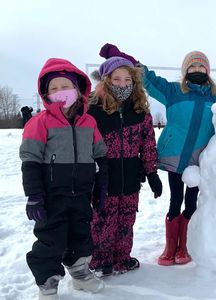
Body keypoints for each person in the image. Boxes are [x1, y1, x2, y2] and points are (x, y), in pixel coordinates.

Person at [99, 43, 216, 266]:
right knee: (175, 201)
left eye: (201, 66)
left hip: (199, 161)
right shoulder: (173, 92)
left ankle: (184, 247)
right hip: (174, 158)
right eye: (192, 66)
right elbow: (147, 78)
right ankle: (170, 248)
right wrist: (123, 58)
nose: (197, 69)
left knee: (191, 203)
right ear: (185, 72)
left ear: (208, 72)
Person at [20, 58, 107, 299]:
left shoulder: (89, 122)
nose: (60, 93)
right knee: (51, 241)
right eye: (53, 88)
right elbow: (30, 161)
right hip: (52, 196)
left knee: (81, 235)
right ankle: (47, 284)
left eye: (65, 87)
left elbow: (100, 155)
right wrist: (34, 195)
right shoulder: (39, 122)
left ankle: (80, 275)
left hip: (81, 194)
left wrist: (102, 185)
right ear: (45, 93)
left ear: (78, 90)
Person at [88, 55, 162, 276]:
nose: (123, 84)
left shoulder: (140, 110)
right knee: (103, 221)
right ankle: (101, 261)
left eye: (127, 80)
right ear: (106, 80)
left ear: (134, 82)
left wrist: (152, 173)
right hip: (103, 178)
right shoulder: (94, 109)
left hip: (130, 176)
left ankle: (122, 258)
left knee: (126, 219)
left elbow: (148, 143)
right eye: (117, 79)